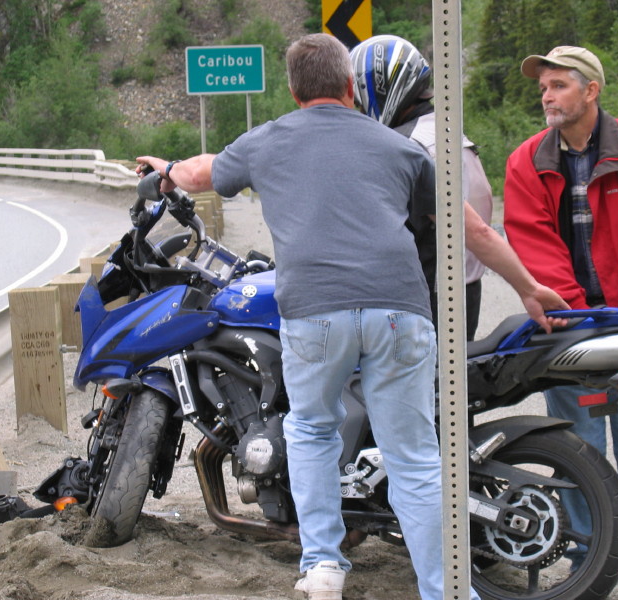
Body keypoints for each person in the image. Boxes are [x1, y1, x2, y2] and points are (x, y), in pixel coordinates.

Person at [137, 32, 481, 600]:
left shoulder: (267, 138)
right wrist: (529, 285)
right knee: (416, 458)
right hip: (401, 307)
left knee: (311, 431)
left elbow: (202, 173)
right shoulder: (399, 146)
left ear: (294, 91)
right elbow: (465, 224)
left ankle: (323, 564)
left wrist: (167, 170)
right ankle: (447, 590)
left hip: (317, 308)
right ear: (350, 86)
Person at [503, 45, 618, 600]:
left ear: (591, 90)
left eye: (558, 85)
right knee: (579, 454)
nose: (547, 96)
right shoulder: (526, 160)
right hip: (573, 332)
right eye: (543, 88)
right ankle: (591, 564)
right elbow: (534, 246)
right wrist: (584, 317)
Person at [350, 34, 568, 340]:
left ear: (378, 88)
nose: (360, 111)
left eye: (360, 102)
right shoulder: (445, 130)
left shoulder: (404, 144)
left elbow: (466, 227)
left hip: (425, 295)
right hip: (464, 289)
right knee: (452, 386)